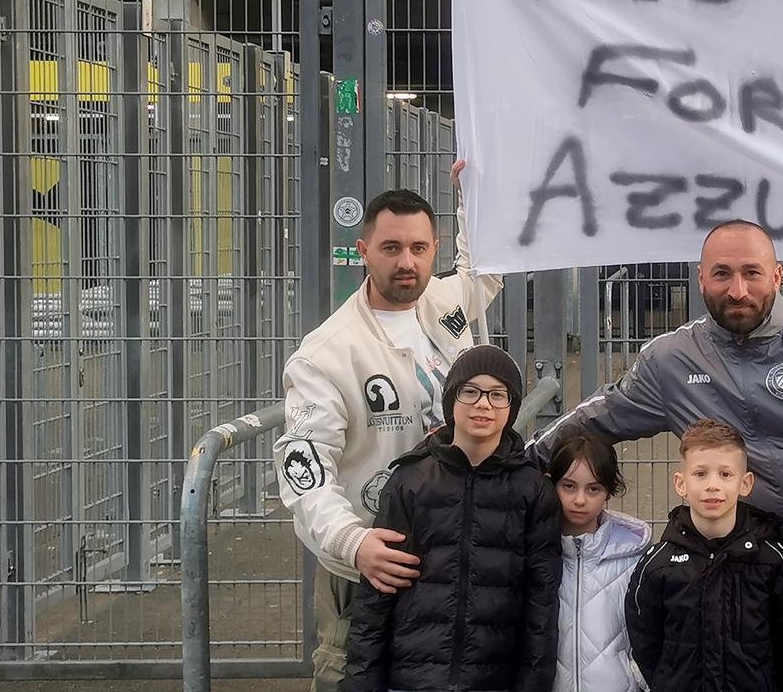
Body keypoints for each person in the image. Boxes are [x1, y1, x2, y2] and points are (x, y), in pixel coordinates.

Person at [531, 219, 783, 528]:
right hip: (735, 550)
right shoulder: (671, 360)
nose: (738, 291)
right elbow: (595, 418)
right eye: (722, 274)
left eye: (752, 273)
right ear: (700, 279)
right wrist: (511, 461)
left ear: (777, 277)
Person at [275, 163, 504, 692]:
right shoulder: (328, 354)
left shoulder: (441, 304)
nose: (407, 262)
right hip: (373, 565)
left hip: (455, 550)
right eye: (391, 248)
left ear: (434, 249)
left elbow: (483, 272)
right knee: (351, 676)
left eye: (419, 248)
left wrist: (473, 195)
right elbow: (304, 467)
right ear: (364, 251)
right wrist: (354, 542)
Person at [341, 345, 562, 692]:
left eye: (497, 394)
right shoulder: (410, 481)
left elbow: (541, 605)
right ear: (450, 401)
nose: (483, 404)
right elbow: (375, 597)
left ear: (512, 406)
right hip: (412, 678)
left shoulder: (532, 490)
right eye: (470, 391)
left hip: (493, 679)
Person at [623, 419, 783, 692]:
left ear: (745, 483)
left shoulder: (772, 560)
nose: (712, 485)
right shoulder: (658, 564)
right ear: (681, 483)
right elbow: (644, 638)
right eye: (700, 474)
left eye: (725, 474)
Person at [546, 434, 650, 692]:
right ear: (552, 485)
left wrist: (638, 678)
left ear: (608, 492)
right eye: (569, 486)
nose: (580, 500)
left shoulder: (635, 557)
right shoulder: (536, 553)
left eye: (593, 489)